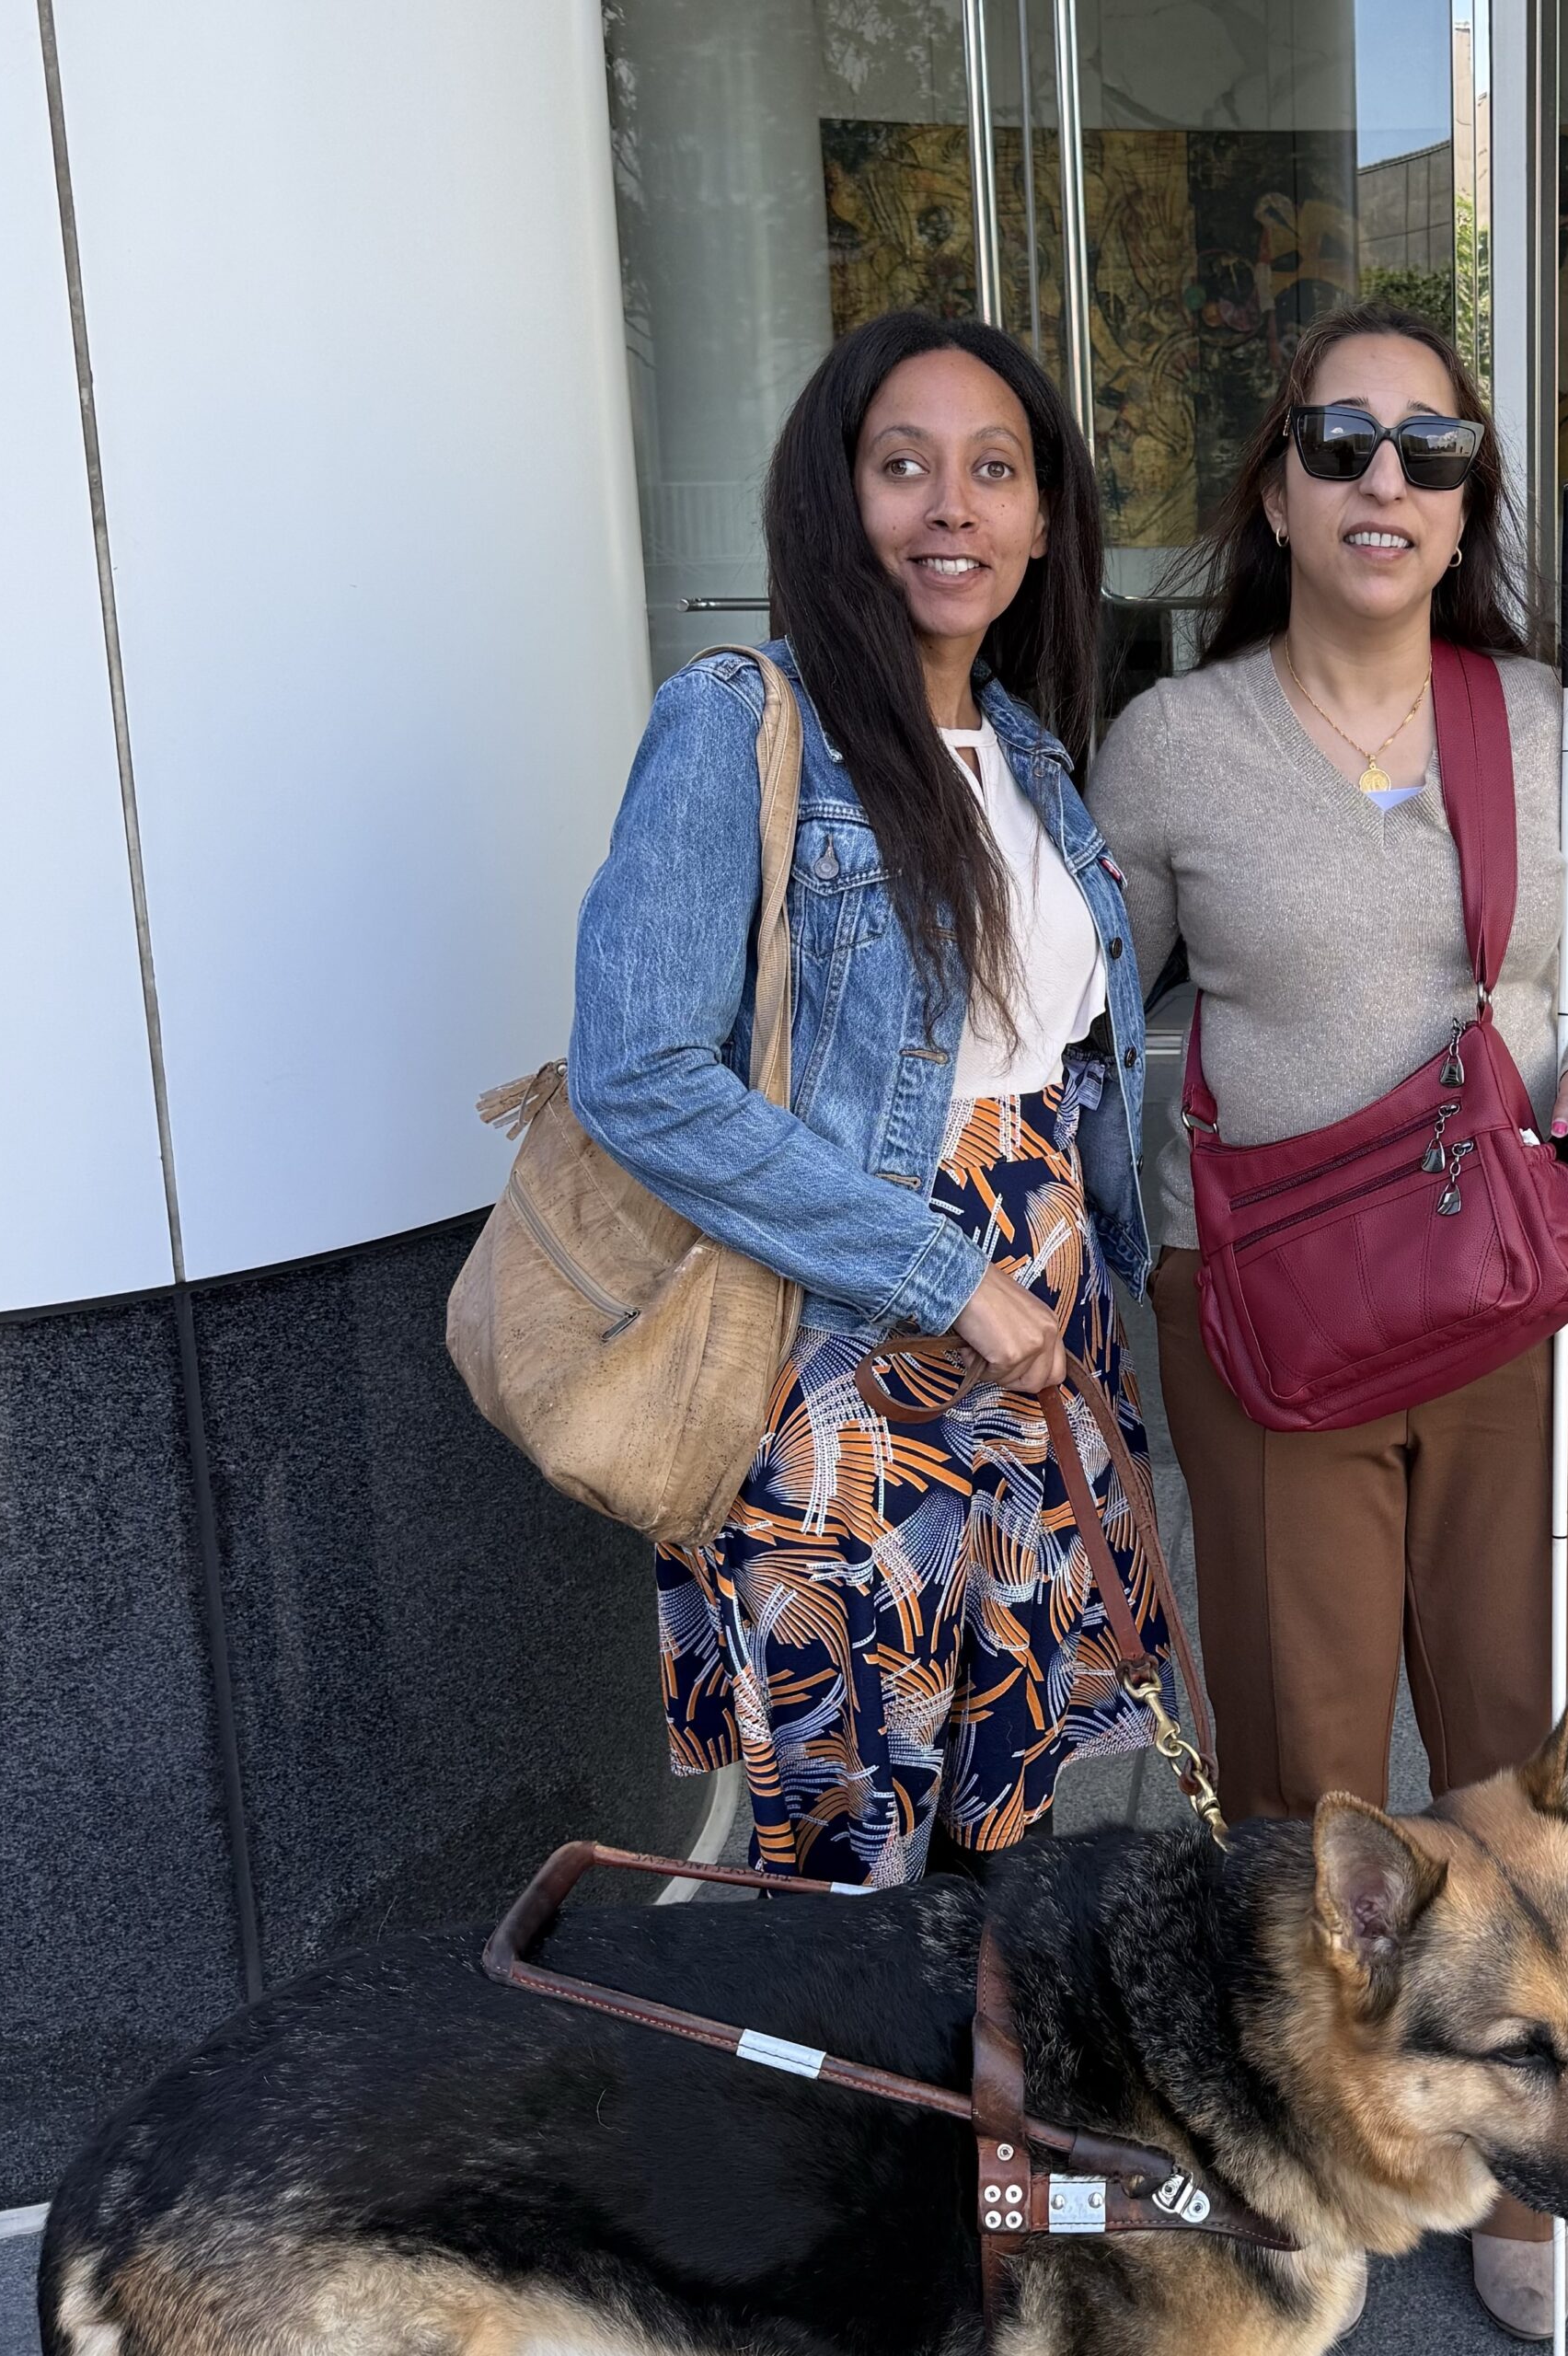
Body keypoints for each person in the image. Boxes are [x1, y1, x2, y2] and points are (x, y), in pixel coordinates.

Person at [1088, 301, 1568, 2340]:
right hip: (1260, 1320)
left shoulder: (1541, 724)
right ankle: (1299, 2170)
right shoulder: (1173, 745)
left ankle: (1521, 2157)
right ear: (1275, 485)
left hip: (1510, 1291)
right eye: (1342, 443)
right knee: (1299, 1772)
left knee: (1513, 1739)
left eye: (1430, 451)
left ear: (1464, 496)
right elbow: (1084, 1008)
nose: (1383, 482)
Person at [570, 313, 1174, 1889]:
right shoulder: (739, 719)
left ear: (1045, 523)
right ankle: (849, 2142)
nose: (950, 509)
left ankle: (986, 2143)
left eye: (994, 471)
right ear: (837, 502)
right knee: (848, 1855)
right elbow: (638, 1071)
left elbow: (1058, 1074)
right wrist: (941, 1274)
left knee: (1004, 1834)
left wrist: (1091, 1276)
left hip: (1038, 1353)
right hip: (843, 1374)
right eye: (902, 468)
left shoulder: (1033, 754)